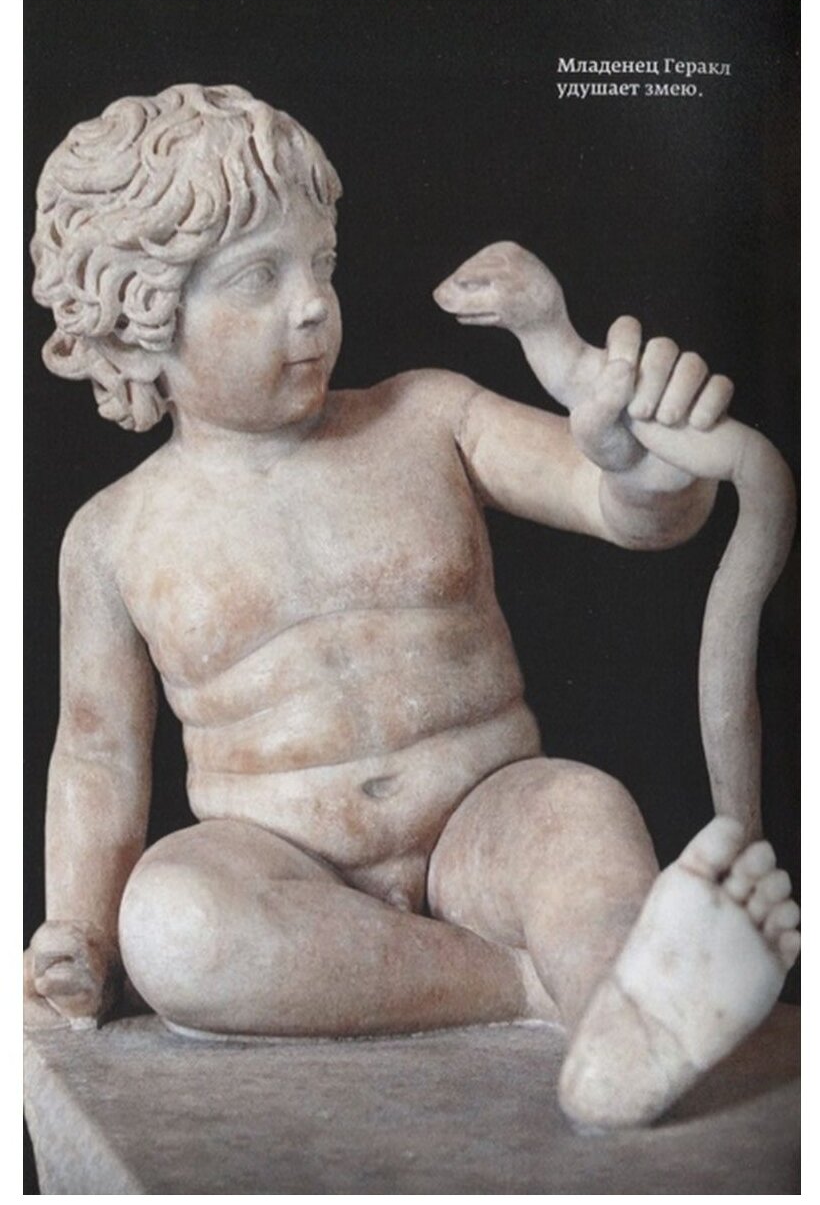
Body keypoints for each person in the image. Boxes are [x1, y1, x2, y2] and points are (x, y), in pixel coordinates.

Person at [26, 84, 799, 1128]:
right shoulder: (115, 533)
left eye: (322, 264)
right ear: (143, 319)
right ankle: (536, 987)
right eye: (260, 276)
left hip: (484, 813)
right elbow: (96, 753)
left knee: (575, 817)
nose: (312, 303)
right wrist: (79, 930)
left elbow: (618, 505)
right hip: (280, 865)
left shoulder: (426, 415)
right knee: (174, 922)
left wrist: (637, 462)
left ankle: (624, 994)